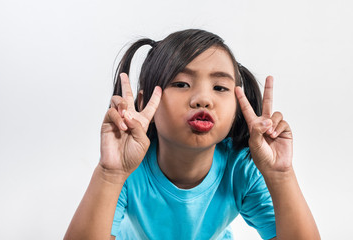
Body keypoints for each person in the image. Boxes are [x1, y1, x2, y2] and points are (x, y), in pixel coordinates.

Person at [64, 29, 320, 240]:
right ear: (143, 105)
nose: (203, 99)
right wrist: (110, 174)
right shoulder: (129, 169)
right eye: (181, 84)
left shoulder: (240, 169)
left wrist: (281, 175)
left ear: (235, 110)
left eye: (220, 87)